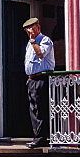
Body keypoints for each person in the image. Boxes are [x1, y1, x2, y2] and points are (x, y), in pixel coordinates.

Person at [23, 16, 55, 148]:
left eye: (32, 28)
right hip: (31, 79)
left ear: (38, 27)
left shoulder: (45, 40)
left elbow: (41, 54)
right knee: (34, 108)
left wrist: (33, 41)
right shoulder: (29, 44)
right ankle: (37, 136)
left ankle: (42, 137)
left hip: (42, 78)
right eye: (27, 30)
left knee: (40, 108)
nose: (30, 31)